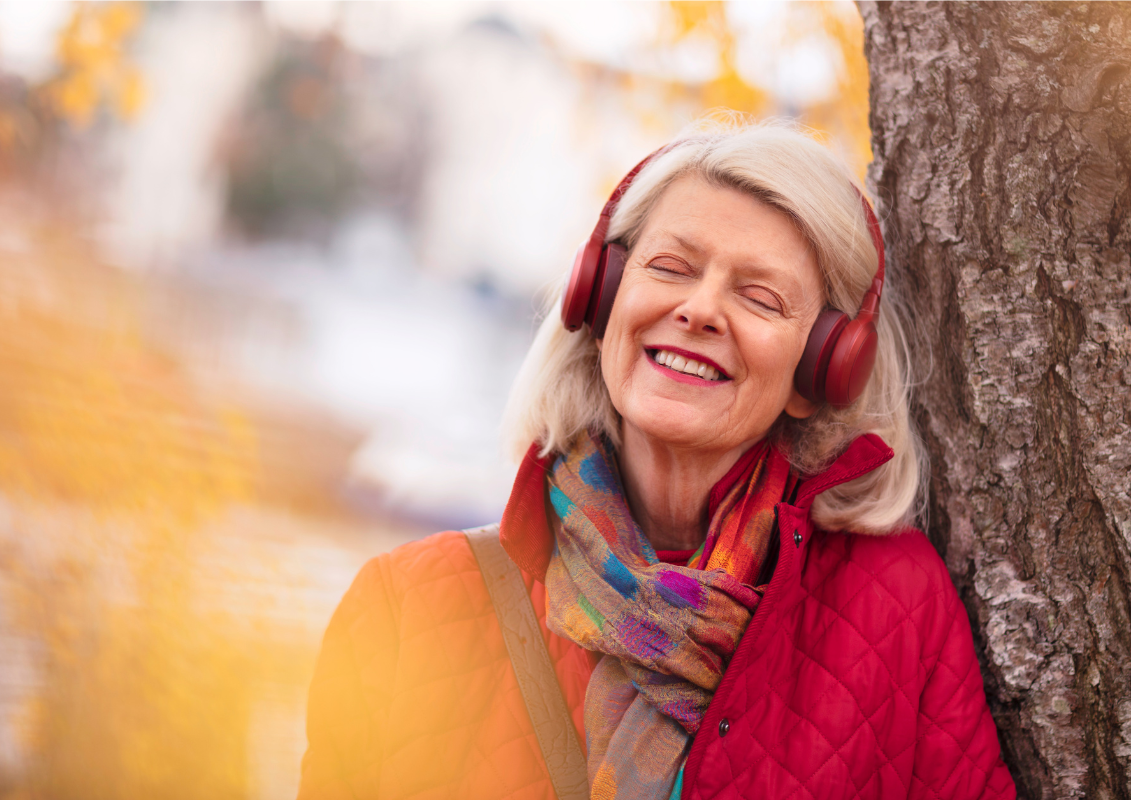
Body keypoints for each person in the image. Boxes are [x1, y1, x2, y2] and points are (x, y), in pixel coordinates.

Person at [297, 119, 1015, 800]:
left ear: (824, 369)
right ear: (601, 296)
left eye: (760, 298)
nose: (700, 310)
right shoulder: (407, 602)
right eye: (671, 267)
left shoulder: (897, 607)